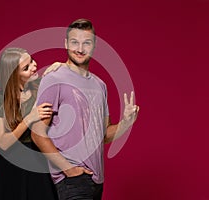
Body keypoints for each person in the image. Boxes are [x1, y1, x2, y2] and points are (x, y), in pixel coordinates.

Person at [31, 19, 140, 200]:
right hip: (71, 180)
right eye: (74, 42)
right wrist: (68, 169)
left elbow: (103, 135)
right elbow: (37, 133)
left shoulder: (100, 85)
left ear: (94, 46)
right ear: (66, 44)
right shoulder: (54, 78)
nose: (80, 48)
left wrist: (126, 123)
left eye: (86, 43)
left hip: (96, 180)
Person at [0, 47, 59, 200]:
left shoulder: (41, 87)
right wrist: (29, 119)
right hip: (10, 165)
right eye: (26, 68)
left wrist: (60, 65)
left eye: (31, 60)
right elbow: (3, 142)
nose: (34, 66)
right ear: (13, 76)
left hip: (38, 158)